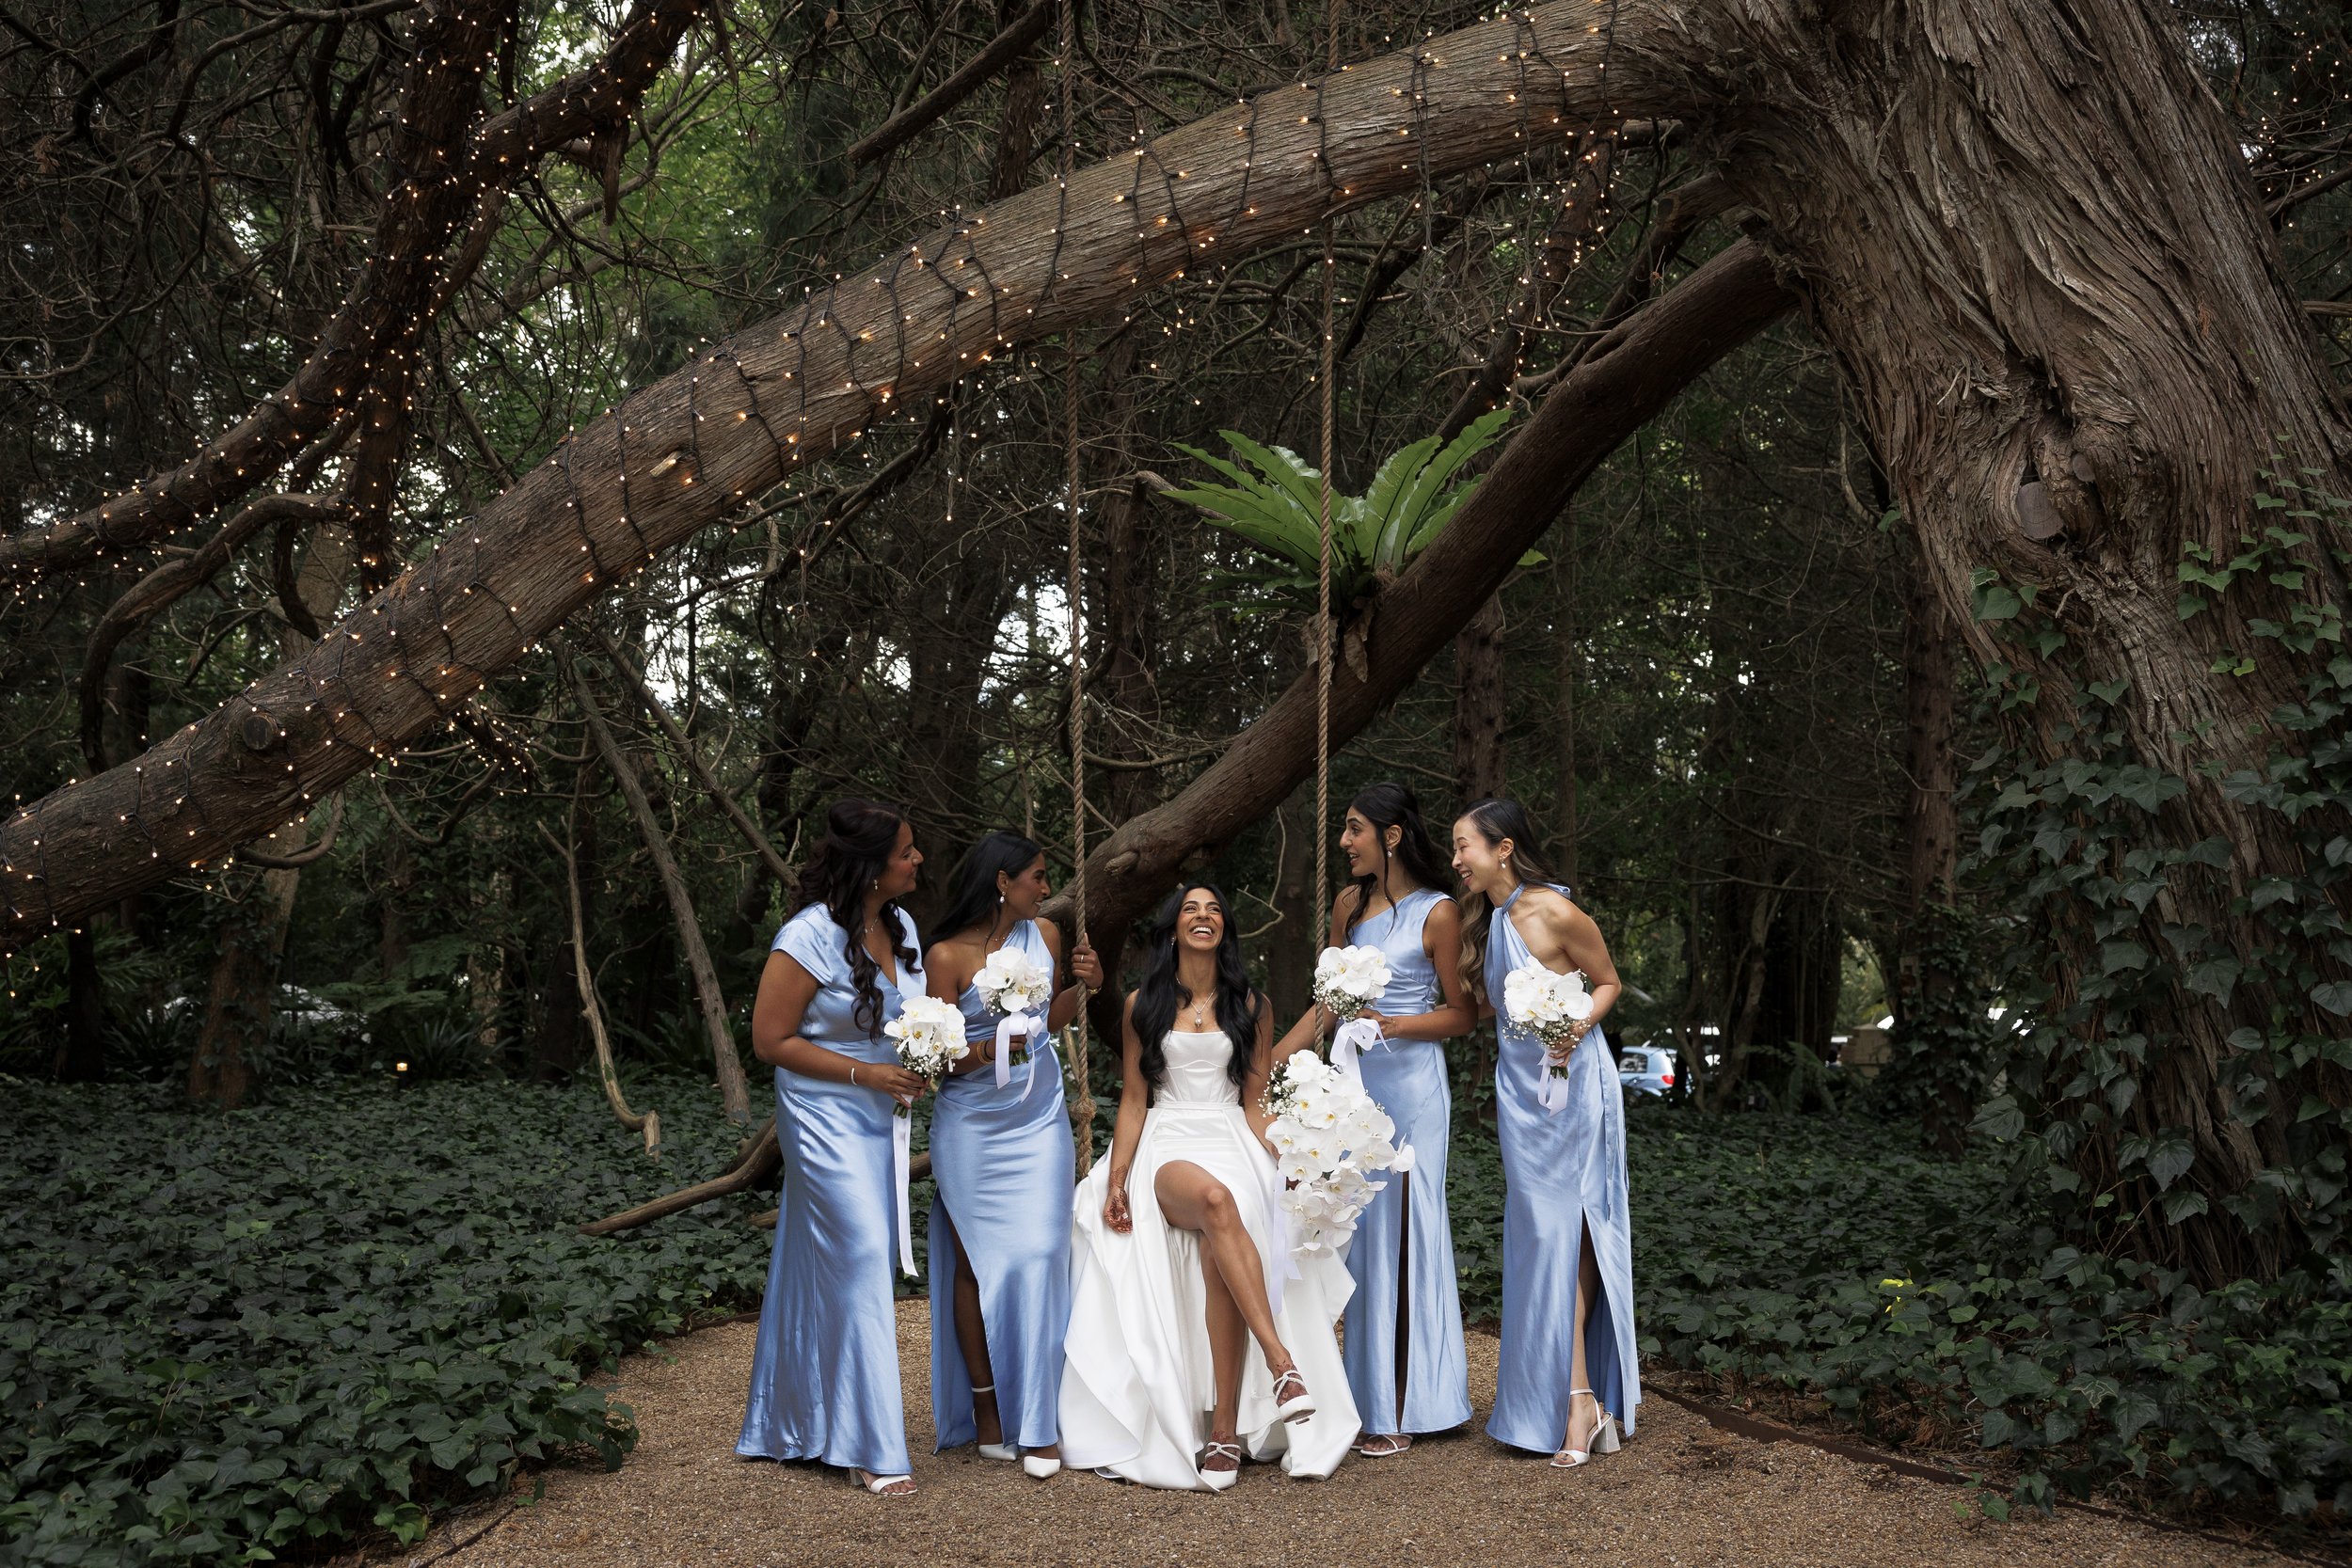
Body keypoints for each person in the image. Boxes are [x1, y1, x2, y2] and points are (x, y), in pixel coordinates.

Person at [1058, 883, 1360, 1489]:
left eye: (1214, 909)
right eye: (1191, 910)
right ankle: (1282, 1363)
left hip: (1232, 1134)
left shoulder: (1250, 1003)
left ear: (1224, 929)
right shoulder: (1142, 1003)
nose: (1203, 917)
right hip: (1169, 1140)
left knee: (1229, 1222)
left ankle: (1224, 1431)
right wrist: (1117, 1177)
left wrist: (1289, 1157)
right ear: (1173, 930)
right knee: (1217, 1201)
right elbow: (1135, 1101)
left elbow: (1254, 1101)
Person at [1274, 783, 1474, 1456]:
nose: (1344, 841)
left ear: (1391, 835)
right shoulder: (1347, 907)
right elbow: (1326, 1002)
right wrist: (1273, 1064)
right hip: (1355, 1092)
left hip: (1414, 1091)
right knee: (1358, 1233)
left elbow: (1463, 1013)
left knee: (1408, 1231)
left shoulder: (1439, 913)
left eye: (1355, 828)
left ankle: (1412, 1402)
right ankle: (1364, 1396)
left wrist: (1395, 1022)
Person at [737, 800, 929, 1497]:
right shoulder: (805, 936)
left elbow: (907, 1016)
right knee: (862, 1249)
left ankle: (789, 1418)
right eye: (906, 851)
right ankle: (870, 1443)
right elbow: (770, 1041)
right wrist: (862, 1070)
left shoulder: (901, 925)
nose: (916, 862)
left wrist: (916, 1063)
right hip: (820, 1108)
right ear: (871, 865)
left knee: (817, 1252)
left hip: (880, 1105)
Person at [1452, 797, 1640, 1468]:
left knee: (1573, 1228)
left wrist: (1580, 1023)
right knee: (1540, 1236)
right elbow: (1480, 1013)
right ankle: (1577, 1399)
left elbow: (1610, 981)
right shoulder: (1487, 921)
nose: (1456, 859)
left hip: (1578, 1087)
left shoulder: (1555, 912)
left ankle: (1578, 1400)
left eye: (1464, 845)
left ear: (1503, 848)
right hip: (1521, 1096)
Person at [922, 832, 1104, 1480]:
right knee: (978, 1262)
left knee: (1045, 1254)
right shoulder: (943, 955)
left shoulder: (1046, 937)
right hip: (973, 1120)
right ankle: (990, 1411)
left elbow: (1052, 1019)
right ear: (1002, 880)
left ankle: (1044, 1412)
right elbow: (935, 1057)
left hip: (1039, 1115)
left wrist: (1087, 987)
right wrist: (992, 1045)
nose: (1045, 887)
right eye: (1036, 875)